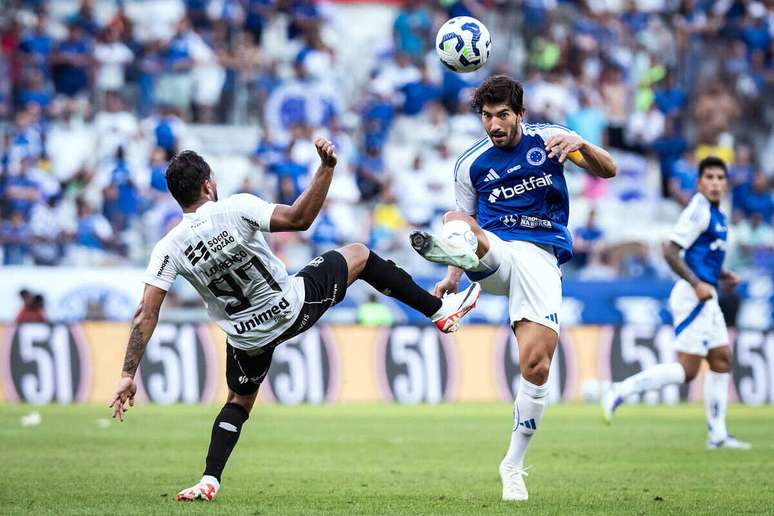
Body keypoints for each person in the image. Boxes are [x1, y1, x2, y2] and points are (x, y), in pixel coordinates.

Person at [109, 138, 481, 501]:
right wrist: (326, 169)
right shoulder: (235, 207)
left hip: (246, 339)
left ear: (178, 198)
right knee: (359, 255)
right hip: (291, 309)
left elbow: (147, 312)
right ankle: (440, 312)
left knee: (239, 402)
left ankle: (209, 478)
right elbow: (299, 218)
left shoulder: (168, 247)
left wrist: (128, 374)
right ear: (208, 184)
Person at [409, 75, 616, 501]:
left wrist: (580, 144)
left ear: (520, 114)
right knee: (455, 222)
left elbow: (608, 170)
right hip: (497, 252)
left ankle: (513, 465)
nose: (495, 124)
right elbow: (464, 220)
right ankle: (463, 280)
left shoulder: (553, 140)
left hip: (541, 257)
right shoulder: (471, 165)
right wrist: (449, 278)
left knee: (536, 366)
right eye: (487, 116)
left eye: (503, 115)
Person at [601, 157, 751, 451]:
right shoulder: (698, 209)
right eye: (709, 177)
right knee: (688, 370)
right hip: (692, 295)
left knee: (721, 358)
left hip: (706, 295)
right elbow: (670, 251)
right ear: (699, 182)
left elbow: (701, 257)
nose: (716, 183)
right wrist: (697, 284)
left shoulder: (718, 214)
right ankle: (620, 389)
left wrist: (722, 275)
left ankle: (718, 435)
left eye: (721, 178)